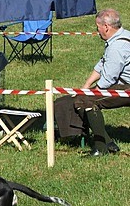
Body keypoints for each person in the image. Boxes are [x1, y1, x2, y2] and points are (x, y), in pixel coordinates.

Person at [54, 8, 130, 156]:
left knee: (84, 100)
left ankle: (101, 148)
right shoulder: (122, 36)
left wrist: (89, 92)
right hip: (123, 84)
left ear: (106, 27)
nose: (97, 31)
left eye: (98, 27)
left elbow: (108, 79)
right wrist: (86, 86)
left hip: (127, 88)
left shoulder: (117, 47)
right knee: (82, 95)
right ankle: (108, 143)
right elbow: (102, 64)